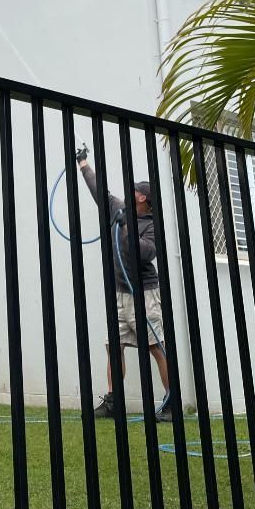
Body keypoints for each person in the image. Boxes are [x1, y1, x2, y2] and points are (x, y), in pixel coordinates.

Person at [76, 146, 171, 423]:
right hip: (119, 293)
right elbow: (100, 193)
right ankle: (114, 401)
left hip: (144, 294)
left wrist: (126, 227)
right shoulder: (120, 209)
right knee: (113, 346)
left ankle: (171, 403)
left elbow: (147, 252)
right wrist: (84, 164)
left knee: (155, 346)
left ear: (143, 197)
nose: (129, 193)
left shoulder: (153, 224)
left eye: (134, 191)